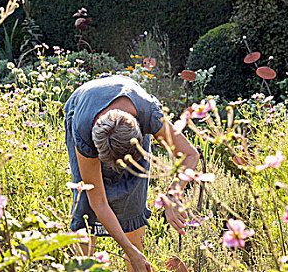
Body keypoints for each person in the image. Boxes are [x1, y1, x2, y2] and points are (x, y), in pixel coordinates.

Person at [64, 75, 199, 272]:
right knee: (85, 205)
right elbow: (98, 201)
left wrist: (172, 195)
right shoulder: (84, 129)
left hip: (128, 121)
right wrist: (128, 249)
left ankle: (135, 260)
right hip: (85, 107)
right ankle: (84, 266)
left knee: (133, 198)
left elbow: (190, 154)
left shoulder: (149, 114)